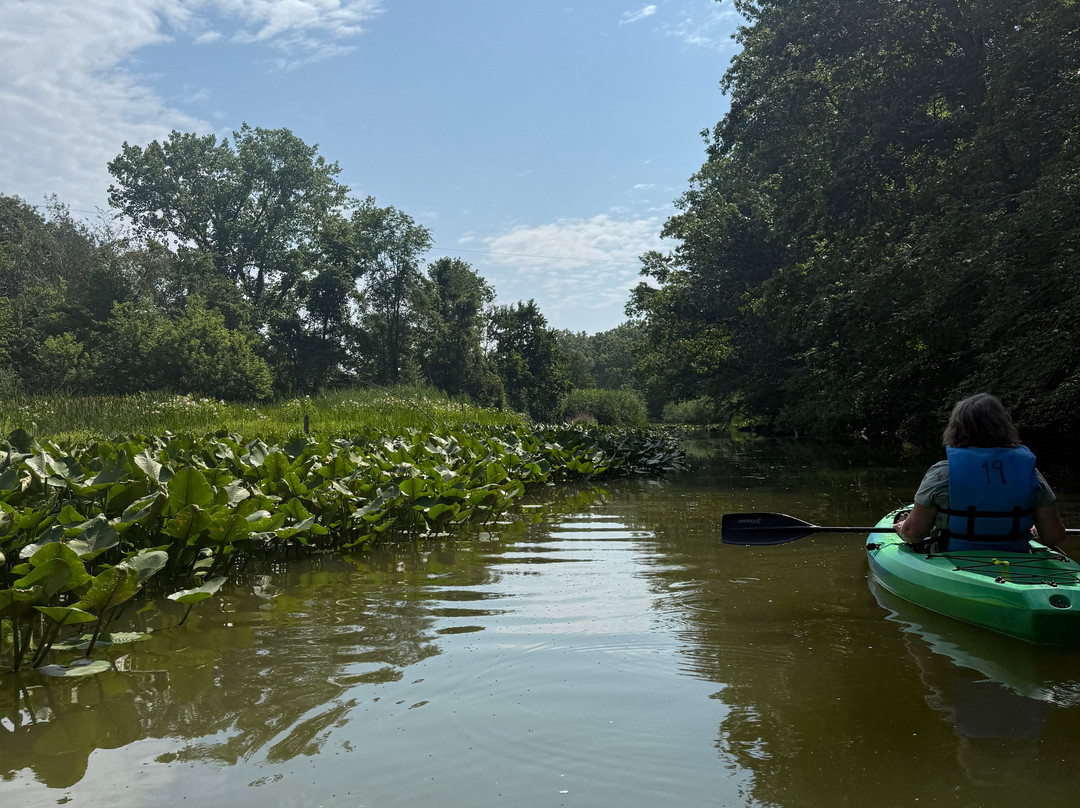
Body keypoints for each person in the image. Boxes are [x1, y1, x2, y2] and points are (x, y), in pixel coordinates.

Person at [897, 393, 1067, 552]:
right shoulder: (1031, 474)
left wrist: (902, 527)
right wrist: (1033, 529)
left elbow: (913, 534)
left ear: (955, 429)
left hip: (953, 556)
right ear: (1004, 427)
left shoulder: (941, 474)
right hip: (1016, 556)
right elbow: (1053, 537)